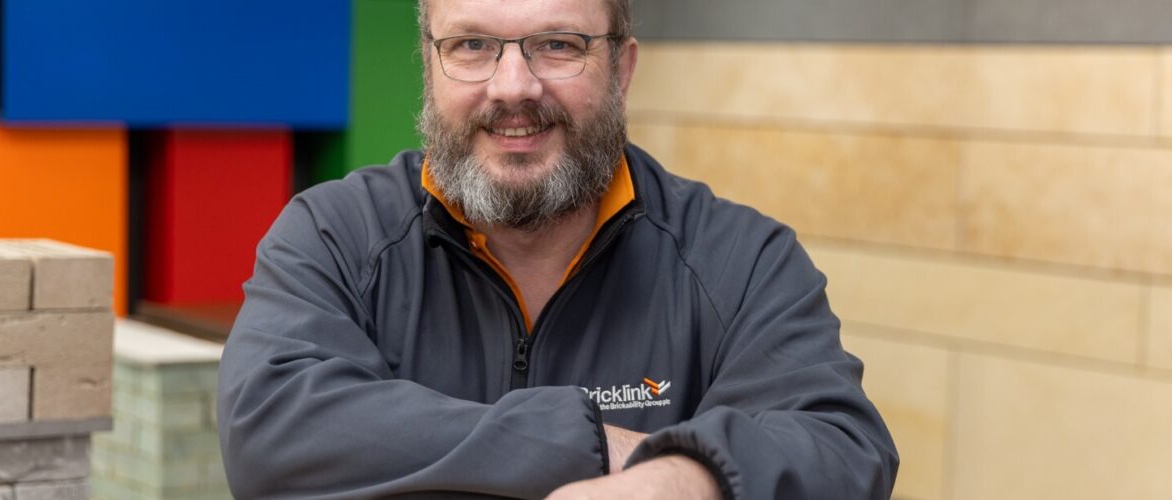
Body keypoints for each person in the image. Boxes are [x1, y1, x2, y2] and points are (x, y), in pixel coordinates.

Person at [217, 0, 899, 498]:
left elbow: (843, 452)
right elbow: (269, 428)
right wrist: (590, 443)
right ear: (430, 65)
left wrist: (689, 479)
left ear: (622, 69)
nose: (514, 87)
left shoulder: (743, 262)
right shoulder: (335, 236)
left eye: (559, 45)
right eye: (472, 46)